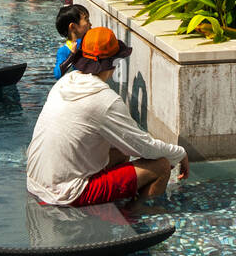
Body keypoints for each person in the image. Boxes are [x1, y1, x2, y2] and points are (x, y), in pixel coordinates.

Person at [26, 26, 189, 206]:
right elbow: (145, 148)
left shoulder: (64, 82)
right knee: (161, 165)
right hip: (65, 194)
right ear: (113, 63)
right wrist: (180, 153)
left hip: (35, 183)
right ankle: (142, 218)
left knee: (120, 152)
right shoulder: (105, 101)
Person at [54, 4, 90, 78]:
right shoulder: (64, 50)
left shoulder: (87, 42)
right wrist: (72, 55)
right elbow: (58, 74)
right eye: (87, 20)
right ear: (73, 27)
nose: (90, 24)